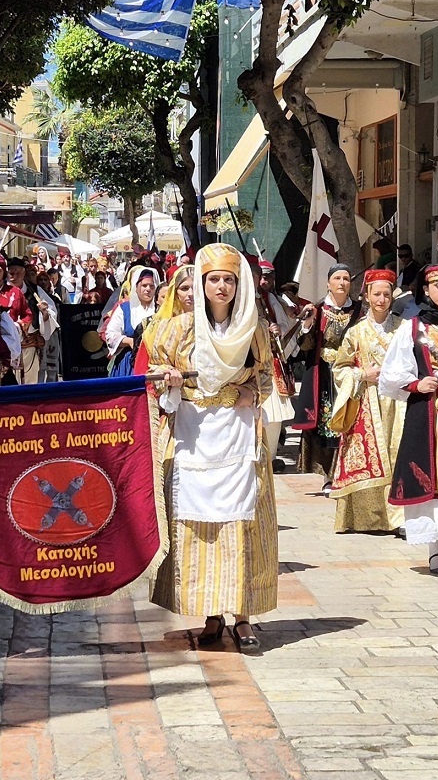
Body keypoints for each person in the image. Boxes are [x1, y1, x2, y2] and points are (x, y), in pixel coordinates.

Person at [147, 244, 277, 655]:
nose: (221, 286)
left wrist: (250, 393)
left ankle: (243, 616)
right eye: (214, 279)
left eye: (229, 279)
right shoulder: (174, 330)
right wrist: (167, 379)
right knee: (198, 527)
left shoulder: (254, 330)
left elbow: (267, 378)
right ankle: (210, 613)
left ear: (240, 285)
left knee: (241, 523)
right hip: (193, 433)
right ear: (201, 283)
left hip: (239, 435)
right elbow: (153, 378)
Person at [381, 264, 438, 580]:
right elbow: (391, 372)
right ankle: (434, 549)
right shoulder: (413, 327)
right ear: (425, 290)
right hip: (427, 412)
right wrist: (416, 384)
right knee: (427, 479)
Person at [326, 270, 404, 534]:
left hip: (399, 402)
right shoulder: (356, 332)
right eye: (376, 294)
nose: (381, 300)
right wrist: (361, 374)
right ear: (367, 296)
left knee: (398, 453)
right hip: (367, 402)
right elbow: (340, 368)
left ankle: (399, 517)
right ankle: (367, 518)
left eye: (386, 294)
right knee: (371, 457)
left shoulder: (404, 328)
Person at [291, 264, 362, 483]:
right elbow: (305, 346)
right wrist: (307, 325)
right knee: (327, 424)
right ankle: (329, 477)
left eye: (346, 279)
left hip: (350, 375)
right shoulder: (318, 310)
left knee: (350, 420)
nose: (342, 283)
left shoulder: (359, 311)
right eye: (337, 278)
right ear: (328, 283)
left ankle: (348, 473)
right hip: (324, 376)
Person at [257, 260, 298, 472]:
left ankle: (271, 456)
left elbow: (285, 324)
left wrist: (277, 329)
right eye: (261, 277)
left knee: (274, 414)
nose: (264, 281)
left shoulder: (272, 299)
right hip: (249, 362)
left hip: (270, 359)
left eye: (268, 277)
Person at [6, 257, 57, 385]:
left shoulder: (35, 291)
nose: (14, 277)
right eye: (11, 273)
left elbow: (51, 311)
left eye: (18, 273)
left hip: (29, 345)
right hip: (7, 346)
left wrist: (44, 313)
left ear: (24, 273)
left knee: (31, 382)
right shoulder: (2, 291)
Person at [105, 267, 159, 377]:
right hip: (129, 364)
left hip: (155, 364)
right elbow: (110, 335)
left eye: (152, 286)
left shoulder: (160, 310)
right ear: (136, 287)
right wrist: (130, 341)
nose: (148, 289)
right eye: (144, 285)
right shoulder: (124, 309)